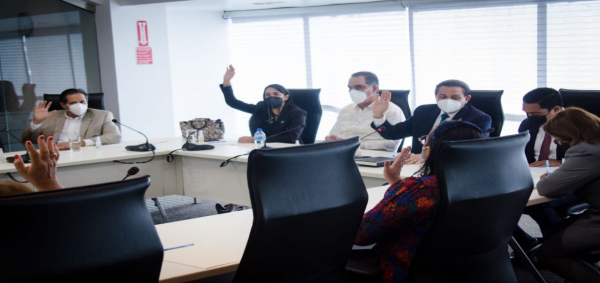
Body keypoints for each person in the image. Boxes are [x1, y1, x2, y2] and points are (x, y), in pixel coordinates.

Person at [354, 121, 485, 283]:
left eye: (425, 141)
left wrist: (402, 189)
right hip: (469, 270)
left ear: (429, 151)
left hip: (403, 269)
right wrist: (397, 184)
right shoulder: (490, 184)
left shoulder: (419, 189)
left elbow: (361, 235)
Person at [534, 107, 600, 283]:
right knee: (554, 231)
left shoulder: (586, 150)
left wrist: (549, 179)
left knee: (546, 254)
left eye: (560, 139)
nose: (559, 142)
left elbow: (548, 189)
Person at [371, 79, 492, 163]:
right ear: (436, 96)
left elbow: (469, 151)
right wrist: (378, 115)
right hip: (415, 166)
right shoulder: (423, 111)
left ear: (467, 99)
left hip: (449, 168)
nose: (448, 101)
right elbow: (392, 133)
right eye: (443, 97)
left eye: (455, 97)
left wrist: (426, 156)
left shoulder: (479, 118)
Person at [220, 65, 307, 144]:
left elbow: (291, 138)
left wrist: (255, 139)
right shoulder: (261, 107)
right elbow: (233, 102)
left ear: (286, 97)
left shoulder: (297, 113)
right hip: (262, 149)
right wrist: (226, 81)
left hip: (289, 151)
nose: (271, 97)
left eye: (276, 94)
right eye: (267, 95)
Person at [325, 72, 405, 151]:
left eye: (359, 87)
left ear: (374, 89)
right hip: (342, 155)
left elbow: (391, 145)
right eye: (350, 88)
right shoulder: (346, 109)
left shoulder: (392, 110)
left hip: (373, 158)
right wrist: (330, 139)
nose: (352, 91)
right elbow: (333, 134)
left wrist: (353, 144)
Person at [21, 88, 121, 149]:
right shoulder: (50, 116)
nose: (79, 105)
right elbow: (28, 140)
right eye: (73, 103)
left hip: (86, 154)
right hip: (55, 155)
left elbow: (114, 136)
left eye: (82, 102)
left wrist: (79, 143)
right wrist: (37, 122)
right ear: (63, 105)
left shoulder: (102, 115)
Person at [520, 88, 568, 167]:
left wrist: (561, 162)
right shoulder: (526, 125)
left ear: (556, 109)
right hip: (533, 170)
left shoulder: (577, 126)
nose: (530, 117)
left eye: (535, 113)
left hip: (566, 170)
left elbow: (591, 158)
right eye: (527, 113)